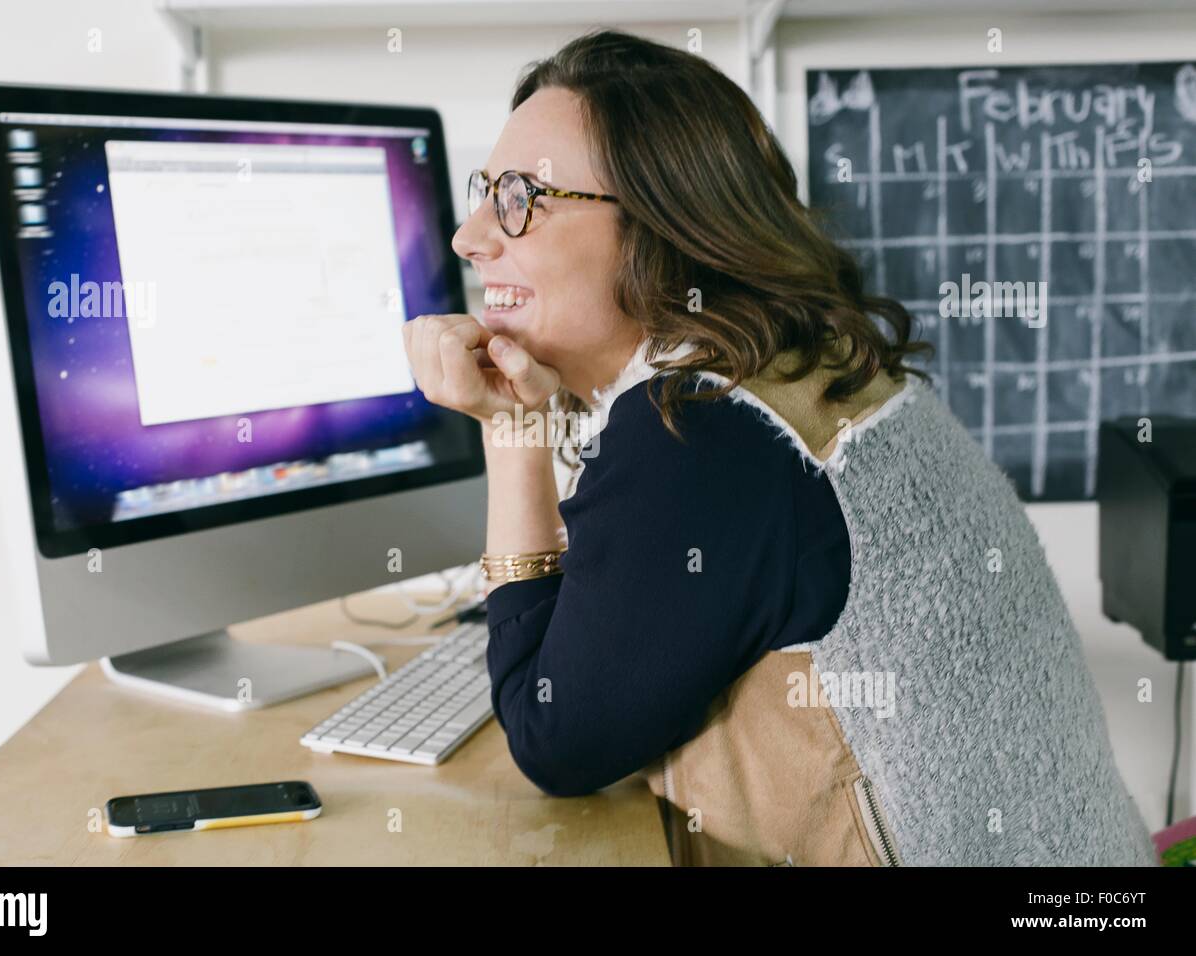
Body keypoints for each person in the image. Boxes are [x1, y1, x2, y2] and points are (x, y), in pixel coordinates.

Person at [401, 29, 1154, 866]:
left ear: (661, 221)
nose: (471, 235)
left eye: (521, 195)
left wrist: (511, 432)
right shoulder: (793, 365)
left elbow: (552, 739)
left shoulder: (700, 430)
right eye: (485, 191)